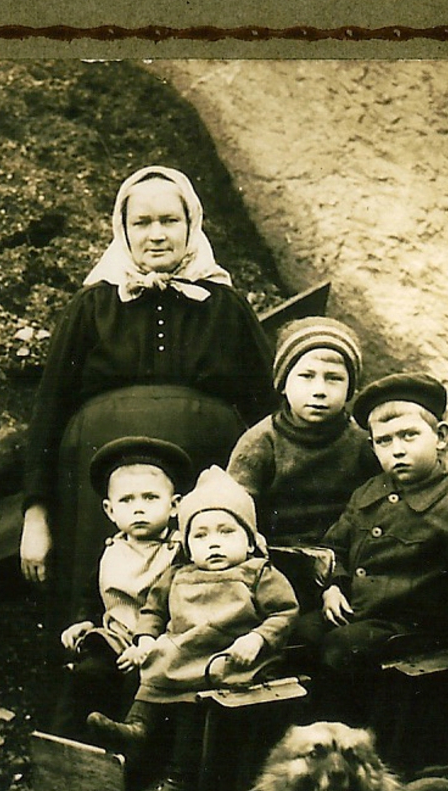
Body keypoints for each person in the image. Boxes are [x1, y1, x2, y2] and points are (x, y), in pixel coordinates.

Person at [19, 166, 272, 621]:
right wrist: (36, 516)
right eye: (142, 222)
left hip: (203, 483)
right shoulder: (92, 306)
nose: (156, 235)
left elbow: (267, 413)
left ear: (191, 225)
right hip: (98, 495)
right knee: (104, 610)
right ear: (123, 229)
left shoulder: (226, 307)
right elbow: (49, 412)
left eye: (169, 221)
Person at [316, 373, 448, 753]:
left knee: (342, 647)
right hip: (363, 616)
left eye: (409, 436)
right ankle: (307, 739)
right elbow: (334, 545)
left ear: (441, 437)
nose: (397, 450)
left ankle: (352, 741)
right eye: (384, 441)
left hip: (415, 627)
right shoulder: (367, 493)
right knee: (300, 633)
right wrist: (334, 586)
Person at [89, 468, 298, 791]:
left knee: (193, 697)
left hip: (230, 653)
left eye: (226, 532)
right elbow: (153, 610)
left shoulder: (259, 572)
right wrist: (145, 640)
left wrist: (258, 638)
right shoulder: (178, 573)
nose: (213, 543)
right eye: (200, 535)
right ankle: (138, 726)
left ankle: (179, 782)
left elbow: (284, 612)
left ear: (249, 541)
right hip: (183, 648)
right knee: (155, 664)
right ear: (187, 545)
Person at [227, 313, 378, 638]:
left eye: (334, 378)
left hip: (342, 560)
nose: (319, 390)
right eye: (306, 376)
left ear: (351, 388)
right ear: (283, 383)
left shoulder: (362, 444)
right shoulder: (261, 441)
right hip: (276, 559)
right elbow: (235, 510)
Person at [54, 436, 186, 736]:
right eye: (127, 500)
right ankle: (68, 744)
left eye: (150, 498)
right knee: (86, 675)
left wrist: (149, 644)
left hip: (163, 640)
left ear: (174, 506)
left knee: (141, 685)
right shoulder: (112, 551)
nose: (138, 509)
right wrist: (83, 621)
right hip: (115, 640)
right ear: (110, 510)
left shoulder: (180, 550)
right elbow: (94, 595)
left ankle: (127, 745)